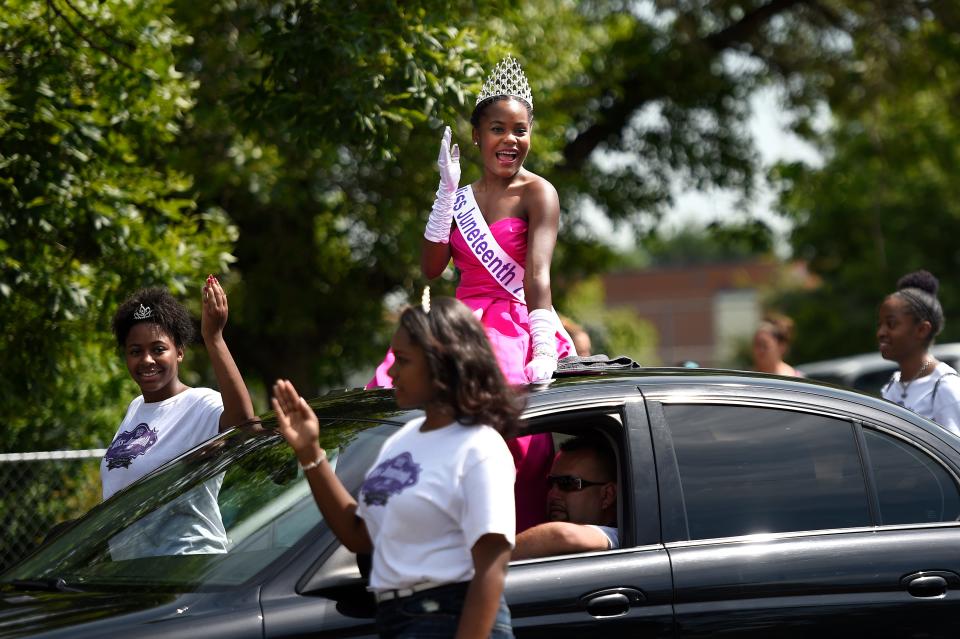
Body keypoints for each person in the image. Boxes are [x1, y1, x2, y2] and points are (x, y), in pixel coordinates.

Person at [367, 55, 574, 533]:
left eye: (520, 130)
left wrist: (541, 345)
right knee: (399, 403)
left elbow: (537, 275)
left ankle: (504, 536)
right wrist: (445, 194)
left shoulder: (538, 193)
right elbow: (431, 267)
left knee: (504, 429)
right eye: (498, 129)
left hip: (511, 322)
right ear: (478, 135)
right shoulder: (459, 198)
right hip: (459, 321)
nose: (511, 140)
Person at [274, 294, 520, 638]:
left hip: (451, 616)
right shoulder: (402, 440)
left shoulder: (479, 445)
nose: (390, 370)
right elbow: (359, 536)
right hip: (395, 617)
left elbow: (491, 568)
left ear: (441, 363)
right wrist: (310, 453)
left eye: (402, 360)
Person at [101, 276, 255, 557]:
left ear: (179, 352)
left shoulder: (200, 403)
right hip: (132, 575)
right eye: (136, 351)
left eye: (158, 349)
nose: (146, 359)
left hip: (187, 568)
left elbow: (244, 423)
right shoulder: (136, 407)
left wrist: (214, 338)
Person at [879, 270, 960, 436]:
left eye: (891, 324)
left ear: (922, 329)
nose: (881, 332)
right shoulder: (892, 387)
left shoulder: (944, 387)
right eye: (879, 324)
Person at [512, 434, 618, 560]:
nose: (552, 494)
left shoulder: (619, 536)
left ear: (607, 495)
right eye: (551, 483)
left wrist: (490, 558)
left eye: (567, 483)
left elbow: (560, 535)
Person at [752, 313, 802, 377]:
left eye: (765, 345)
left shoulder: (796, 379)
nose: (760, 350)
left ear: (781, 346)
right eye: (757, 344)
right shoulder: (744, 378)